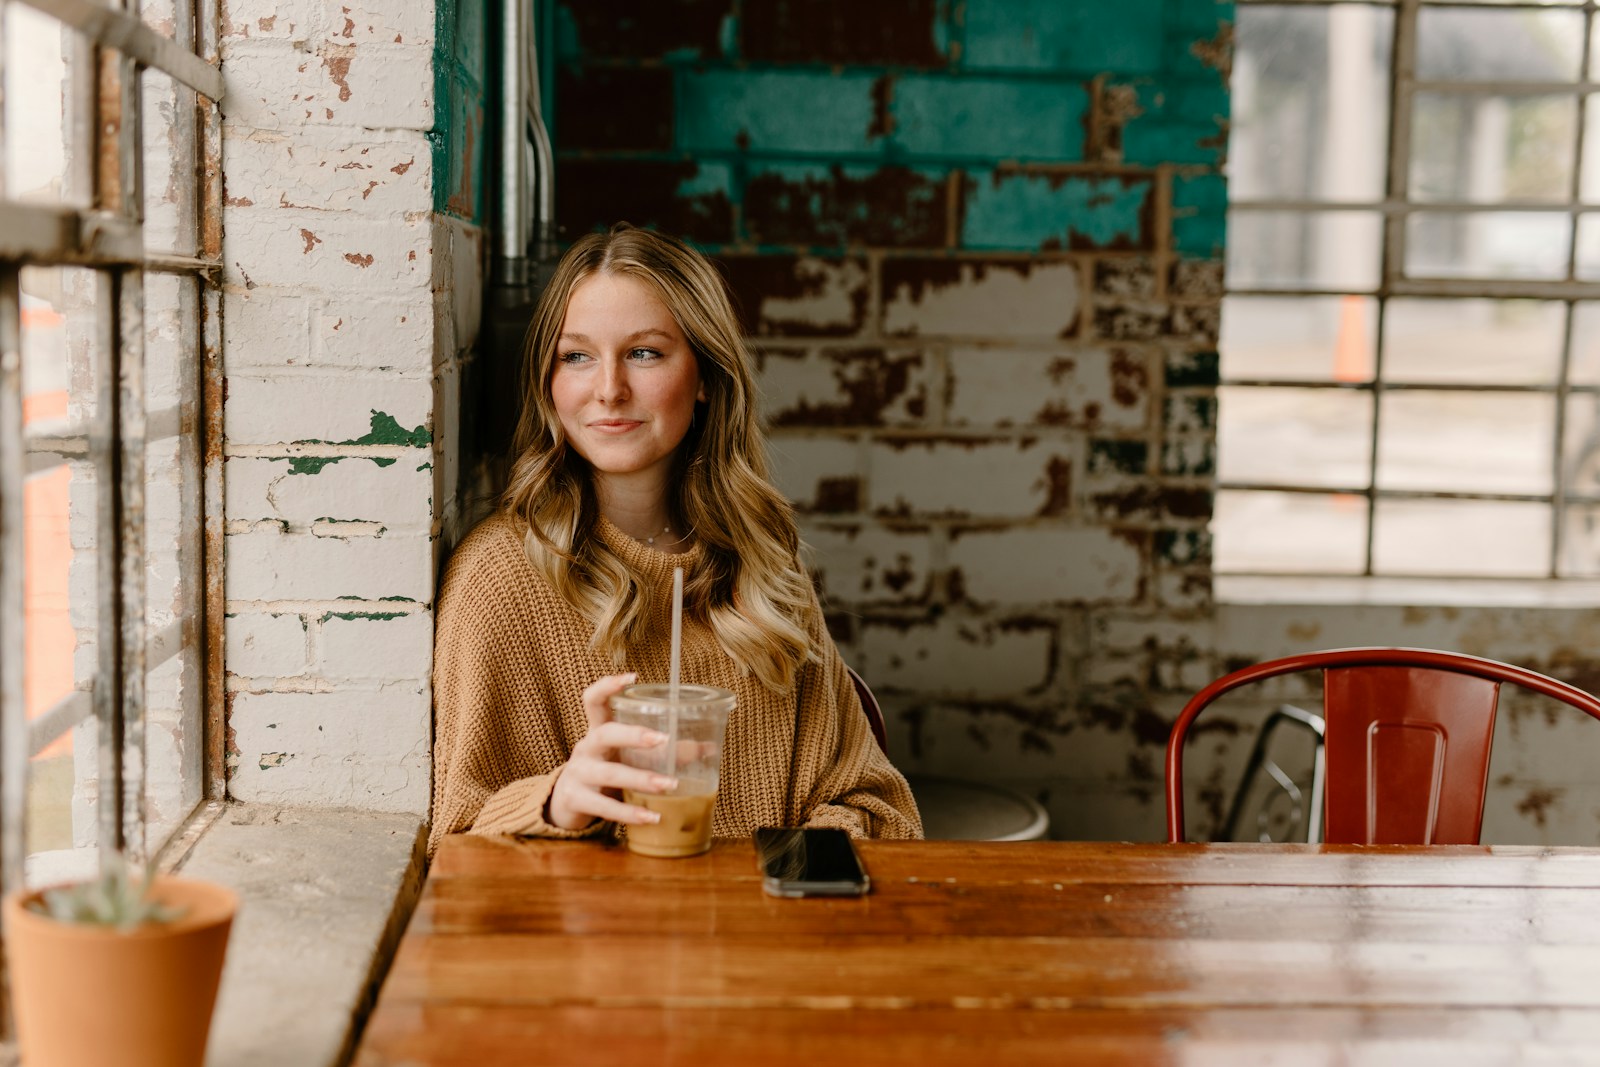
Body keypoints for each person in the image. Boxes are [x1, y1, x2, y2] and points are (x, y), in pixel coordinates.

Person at [428, 224, 922, 857]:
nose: (608, 388)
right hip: (593, 950)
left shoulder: (763, 563)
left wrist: (767, 889)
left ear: (707, 376)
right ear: (548, 384)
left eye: (645, 353)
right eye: (576, 356)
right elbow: (457, 850)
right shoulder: (499, 577)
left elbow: (879, 809)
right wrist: (555, 803)